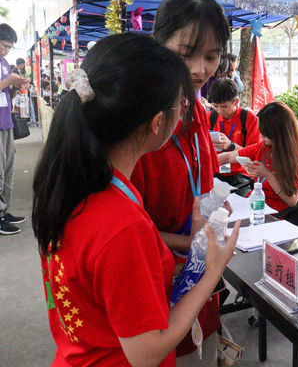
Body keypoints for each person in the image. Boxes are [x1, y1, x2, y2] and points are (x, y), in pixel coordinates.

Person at [32, 33, 240, 366]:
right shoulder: (122, 224)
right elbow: (147, 352)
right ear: (158, 123)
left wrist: (188, 246)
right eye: (180, 105)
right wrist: (212, 272)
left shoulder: (73, 187)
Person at [130, 0, 230, 365]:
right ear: (159, 43)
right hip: (158, 290)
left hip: (200, 279)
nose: (200, 70)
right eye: (186, 53)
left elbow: (204, 183)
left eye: (211, 56)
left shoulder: (197, 110)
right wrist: (188, 242)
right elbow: (124, 230)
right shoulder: (137, 123)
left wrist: (213, 220)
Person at [218, 101, 298, 213]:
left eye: (265, 134)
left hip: (274, 212)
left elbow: (292, 200)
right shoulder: (263, 147)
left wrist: (267, 175)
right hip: (252, 203)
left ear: (279, 134)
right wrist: (204, 163)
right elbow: (228, 157)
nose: (261, 136)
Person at [207, 77, 260, 192]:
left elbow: (254, 157)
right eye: (215, 106)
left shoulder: (250, 119)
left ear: (236, 101)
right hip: (215, 173)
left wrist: (231, 145)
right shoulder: (210, 117)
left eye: (224, 106)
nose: (220, 110)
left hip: (241, 176)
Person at [0, 23, 28, 235]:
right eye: (4, 45)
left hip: (6, 121)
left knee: (8, 170)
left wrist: (15, 87)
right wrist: (7, 81)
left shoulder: (5, 64)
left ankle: (3, 210)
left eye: (10, 46)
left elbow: (6, 94)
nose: (7, 50)